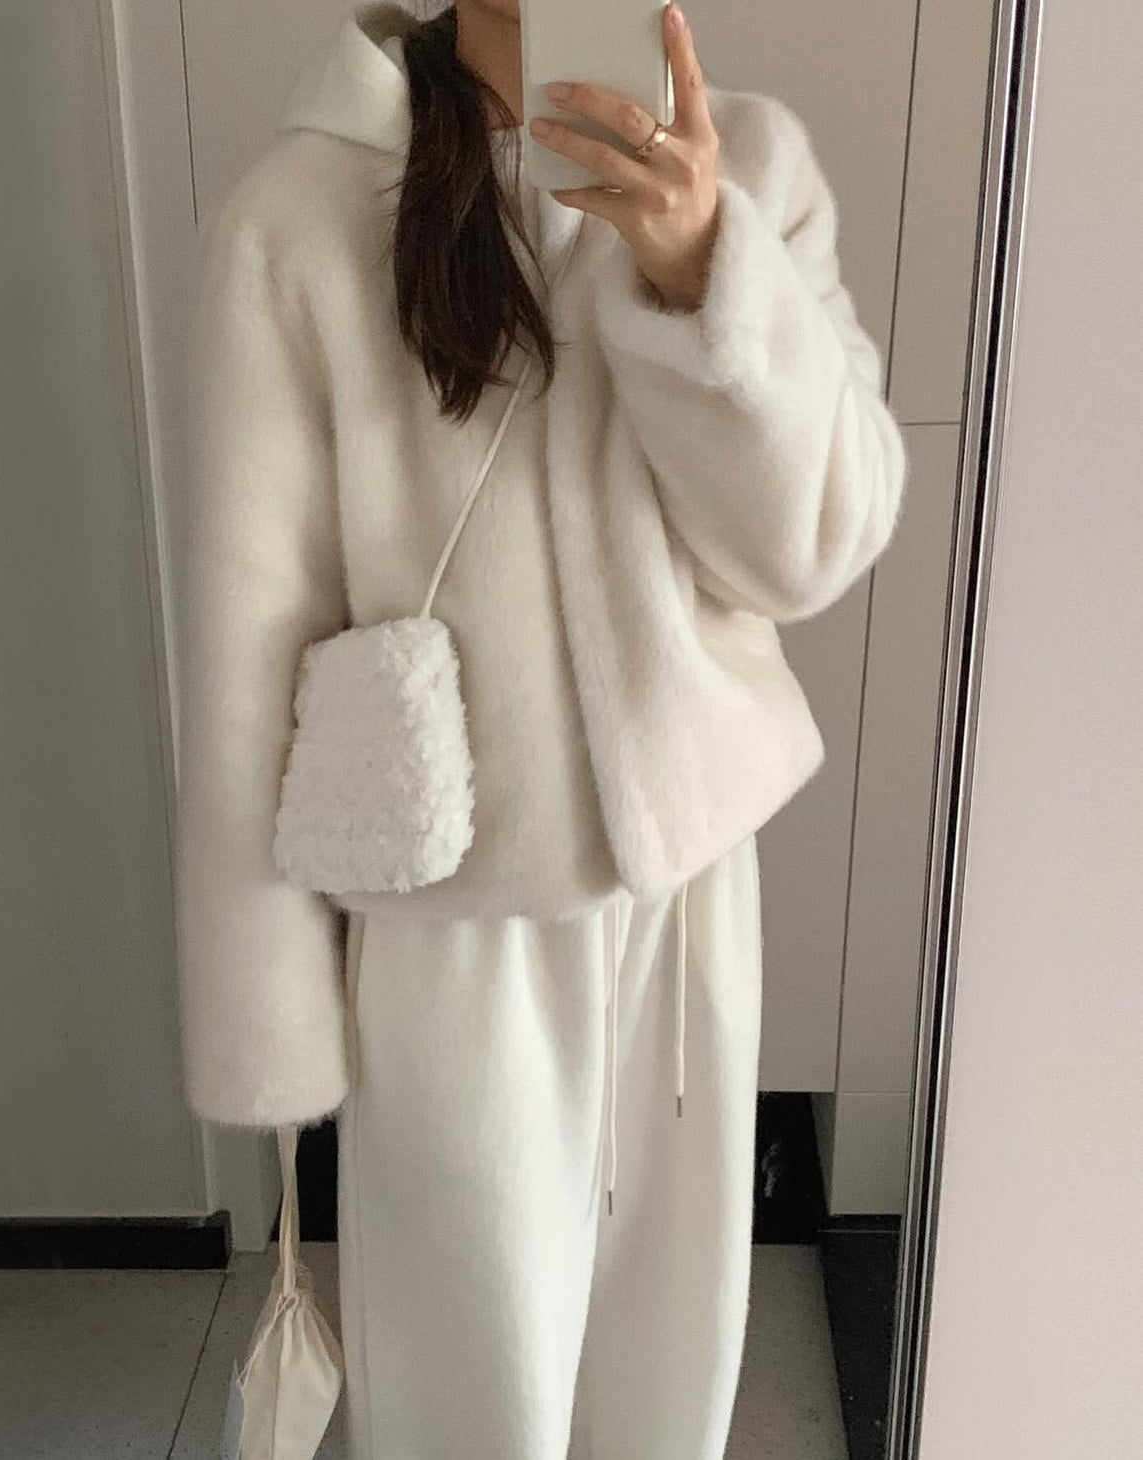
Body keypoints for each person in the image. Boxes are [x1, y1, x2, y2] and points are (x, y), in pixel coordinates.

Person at [173, 2, 908, 1456]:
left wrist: (705, 275)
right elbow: (249, 647)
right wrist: (270, 1013)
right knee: (470, 1404)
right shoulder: (302, 217)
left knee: (668, 1391)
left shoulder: (751, 168)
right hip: (459, 931)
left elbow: (820, 543)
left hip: (686, 916)